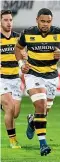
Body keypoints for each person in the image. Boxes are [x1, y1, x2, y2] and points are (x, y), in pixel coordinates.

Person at [14, 8, 60, 156]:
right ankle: (43, 144)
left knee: (45, 111)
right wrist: (22, 65)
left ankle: (32, 120)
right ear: (37, 20)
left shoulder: (59, 33)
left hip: (51, 75)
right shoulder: (27, 33)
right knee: (40, 105)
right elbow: (18, 48)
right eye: (43, 21)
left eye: (48, 21)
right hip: (33, 74)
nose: (45, 24)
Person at [0, 9, 22, 149]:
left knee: (15, 113)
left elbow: (24, 55)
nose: (9, 23)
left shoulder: (19, 39)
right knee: (9, 106)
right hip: (2, 79)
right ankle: (13, 141)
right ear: (0, 21)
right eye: (6, 20)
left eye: (10, 20)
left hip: (15, 79)